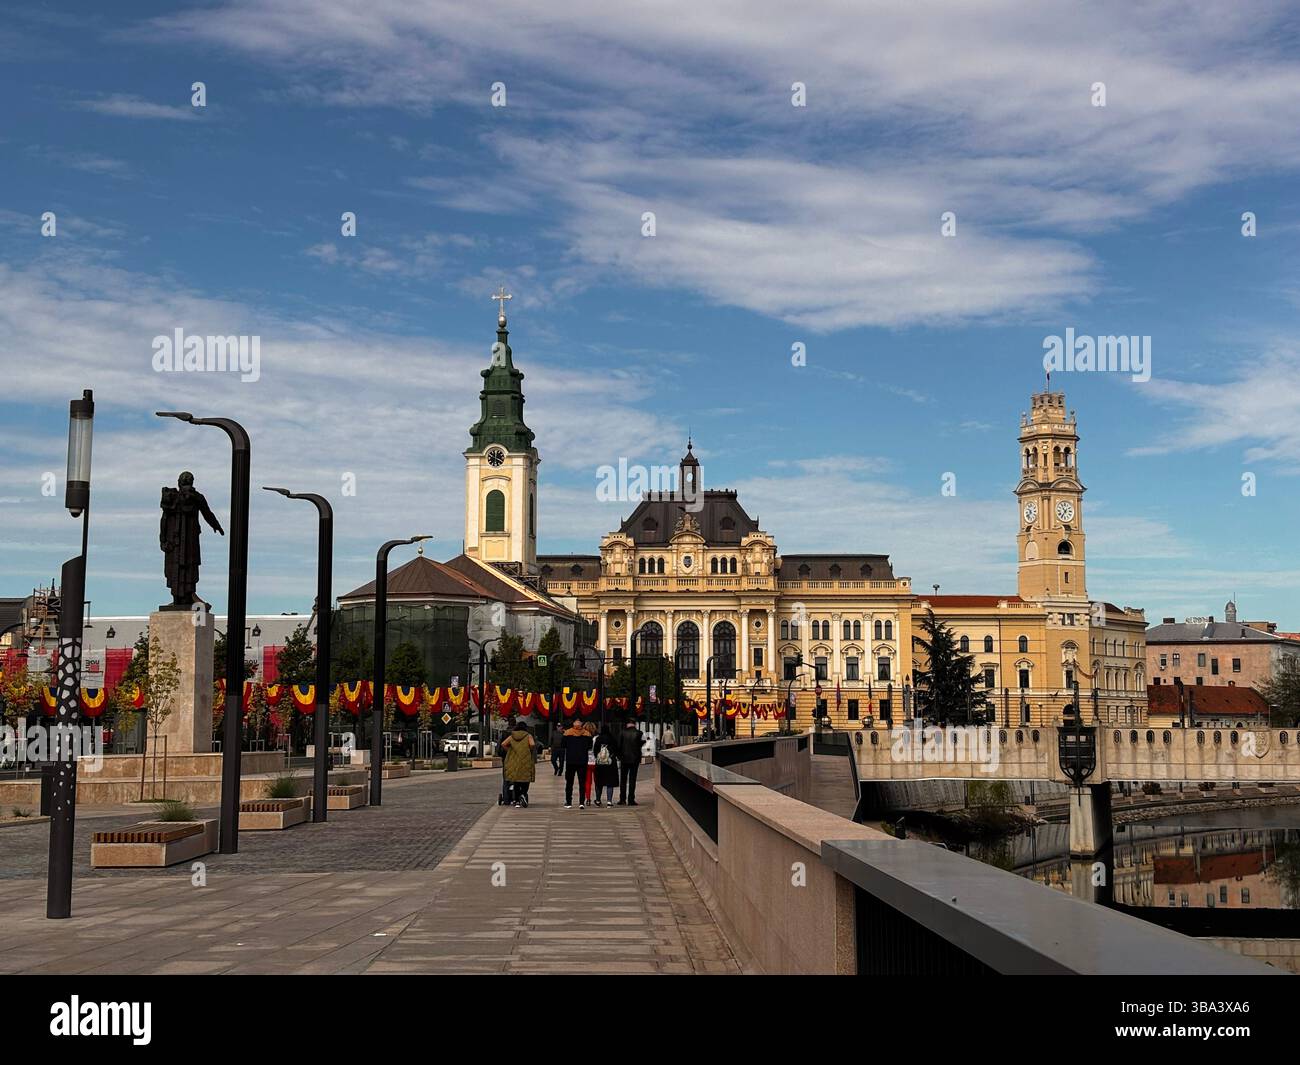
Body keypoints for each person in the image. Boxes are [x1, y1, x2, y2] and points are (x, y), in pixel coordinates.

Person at [501, 721, 536, 807]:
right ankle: (523, 794)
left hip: (514, 761)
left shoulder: (512, 736)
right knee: (525, 779)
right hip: (525, 761)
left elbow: (503, 744)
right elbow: (532, 744)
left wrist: (509, 750)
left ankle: (516, 801)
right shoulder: (528, 736)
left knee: (516, 780)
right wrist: (528, 750)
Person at [561, 720, 593, 809]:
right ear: (581, 725)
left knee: (569, 783)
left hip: (570, 761)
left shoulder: (567, 733)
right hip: (582, 761)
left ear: (573, 725)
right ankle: (581, 802)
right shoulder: (587, 734)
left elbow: (563, 745)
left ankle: (568, 802)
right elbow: (590, 747)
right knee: (582, 783)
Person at [618, 719, 644, 806]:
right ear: (634, 724)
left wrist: (619, 757)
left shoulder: (622, 733)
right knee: (632, 779)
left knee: (623, 780)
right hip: (634, 759)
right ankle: (631, 799)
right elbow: (641, 743)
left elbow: (619, 746)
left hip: (624, 759)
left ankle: (622, 799)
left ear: (627, 724)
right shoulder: (639, 733)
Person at [592, 726, 619, 807]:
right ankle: (609, 801)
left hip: (600, 764)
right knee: (610, 783)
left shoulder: (598, 739)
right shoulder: (612, 739)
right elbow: (616, 750)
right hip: (610, 764)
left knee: (599, 782)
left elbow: (595, 751)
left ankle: (598, 800)